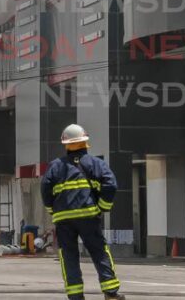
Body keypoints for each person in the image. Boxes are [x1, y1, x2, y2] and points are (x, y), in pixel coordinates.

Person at [42, 124, 124, 300]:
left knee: (68, 255)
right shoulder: (96, 164)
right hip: (88, 215)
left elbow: (45, 190)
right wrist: (103, 207)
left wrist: (52, 210)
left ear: (66, 144)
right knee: (99, 251)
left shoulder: (55, 166)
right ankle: (111, 292)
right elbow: (111, 185)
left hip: (63, 219)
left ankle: (75, 295)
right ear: (86, 142)